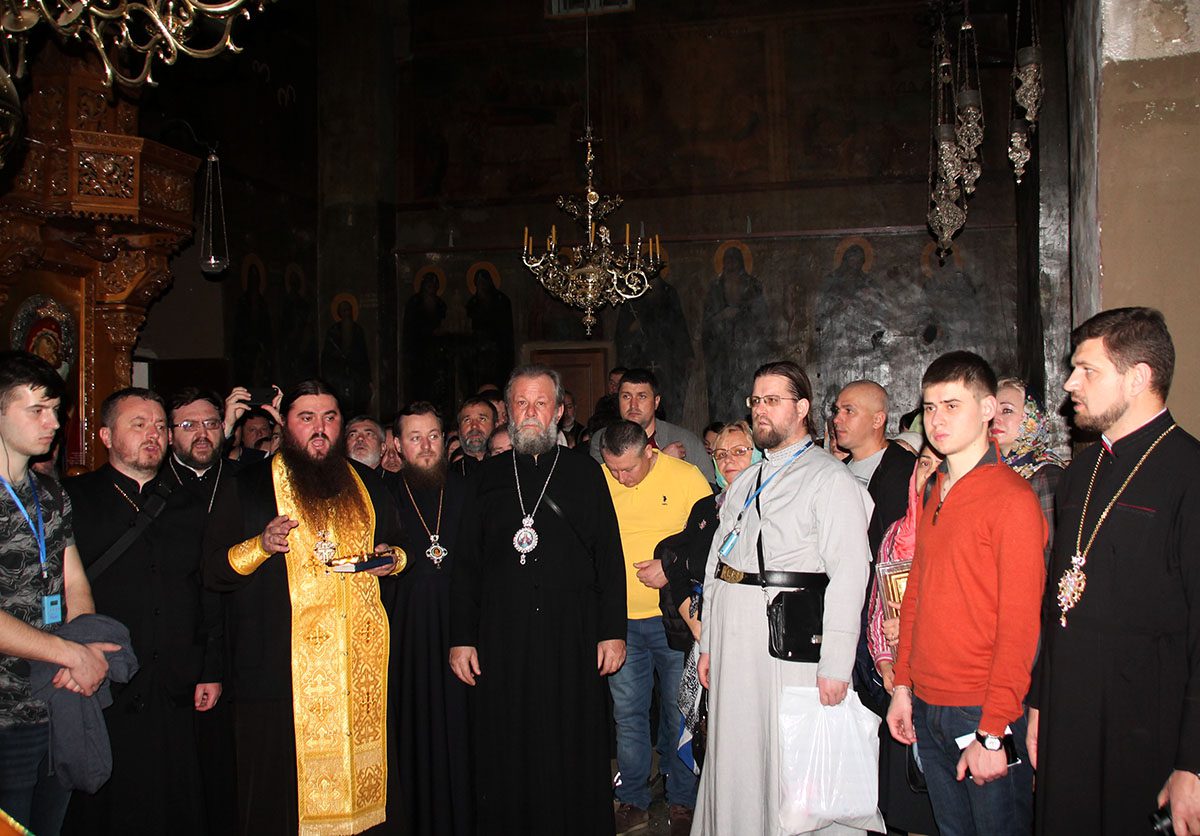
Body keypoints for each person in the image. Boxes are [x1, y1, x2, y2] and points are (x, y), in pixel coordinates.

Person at [203, 380, 404, 836]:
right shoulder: (248, 486)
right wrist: (260, 545)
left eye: (329, 418)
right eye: (306, 418)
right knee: (281, 804)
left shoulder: (368, 484)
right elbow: (212, 571)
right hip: (279, 677)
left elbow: (398, 545)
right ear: (285, 423)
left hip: (358, 675)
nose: (320, 428)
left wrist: (394, 559)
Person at [1029, 307, 1200, 836]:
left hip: (1146, 730)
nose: (1069, 383)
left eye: (1087, 370)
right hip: (1068, 719)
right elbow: (1058, 602)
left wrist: (1193, 763)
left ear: (1138, 377)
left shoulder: (1189, 472)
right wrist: (1039, 704)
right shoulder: (1081, 470)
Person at [695, 360, 873, 836]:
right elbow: (716, 565)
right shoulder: (745, 481)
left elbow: (850, 574)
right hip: (732, 646)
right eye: (756, 401)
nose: (760, 410)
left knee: (785, 760)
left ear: (802, 408)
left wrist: (836, 664)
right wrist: (708, 643)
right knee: (737, 754)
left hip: (784, 648)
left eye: (773, 400)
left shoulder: (829, 479)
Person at [450, 364, 627, 835]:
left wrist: (612, 631)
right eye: (522, 404)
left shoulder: (585, 473)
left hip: (572, 635)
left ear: (560, 411)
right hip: (501, 636)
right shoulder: (485, 478)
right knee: (506, 739)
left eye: (541, 403)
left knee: (570, 736)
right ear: (508, 412)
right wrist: (462, 637)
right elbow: (466, 564)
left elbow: (609, 557)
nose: (531, 413)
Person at [886, 351, 1045, 836]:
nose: (937, 420)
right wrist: (903, 686)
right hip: (927, 702)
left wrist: (994, 731)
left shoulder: (1012, 499)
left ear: (988, 408)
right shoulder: (935, 488)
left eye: (952, 405)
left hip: (982, 707)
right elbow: (917, 594)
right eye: (930, 407)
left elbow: (1021, 626)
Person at [63, 387, 225, 835]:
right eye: (138, 425)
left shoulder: (189, 504)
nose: (153, 435)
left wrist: (210, 668)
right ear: (106, 436)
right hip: (104, 680)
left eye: (159, 426)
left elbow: (205, 590)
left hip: (174, 681)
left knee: (176, 802)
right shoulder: (72, 500)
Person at [0, 351, 112, 836]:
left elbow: (73, 580)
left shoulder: (50, 493)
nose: (53, 423)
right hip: (5, 711)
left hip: (56, 699)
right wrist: (70, 654)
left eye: (55, 410)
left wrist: (82, 643)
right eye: (37, 410)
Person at [831, 380, 934, 835]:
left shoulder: (906, 472)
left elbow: (908, 560)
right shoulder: (833, 472)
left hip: (891, 632)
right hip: (847, 621)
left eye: (849, 411)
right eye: (836, 410)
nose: (837, 419)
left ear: (878, 419)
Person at [600, 420, 712, 835]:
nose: (621, 478)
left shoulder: (685, 477)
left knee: (679, 712)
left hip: (674, 621)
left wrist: (670, 565)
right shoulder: (600, 480)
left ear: (650, 451)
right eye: (613, 469)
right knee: (628, 714)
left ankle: (683, 800)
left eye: (629, 469)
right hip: (621, 621)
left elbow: (708, 539)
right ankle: (633, 799)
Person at [383, 402, 472, 836]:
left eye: (433, 436)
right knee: (414, 729)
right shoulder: (381, 495)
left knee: (462, 729)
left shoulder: (469, 491)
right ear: (397, 445)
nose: (425, 446)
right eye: (415, 438)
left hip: (462, 630)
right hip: (406, 634)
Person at [590, 369, 716, 483]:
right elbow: (608, 488)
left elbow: (708, 488)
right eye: (626, 396)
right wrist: (662, 460)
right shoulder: (604, 439)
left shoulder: (685, 440)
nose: (633, 405)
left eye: (642, 396)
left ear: (656, 402)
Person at [991, 377, 1067, 564]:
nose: (995, 419)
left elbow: (1054, 554)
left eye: (1007, 410)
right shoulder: (991, 471)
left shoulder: (1046, 474)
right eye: (992, 411)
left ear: (1032, 418)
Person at [454, 396, 496, 477]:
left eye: (482, 419)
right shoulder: (448, 476)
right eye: (467, 420)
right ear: (459, 429)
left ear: (496, 425)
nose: (474, 426)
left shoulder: (509, 468)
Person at [589, 366, 627, 432]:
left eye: (619, 384)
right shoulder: (603, 403)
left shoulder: (629, 404)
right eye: (612, 383)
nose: (614, 387)